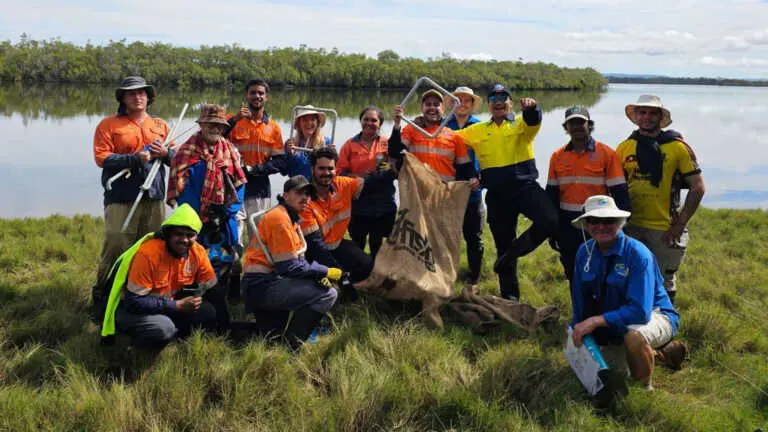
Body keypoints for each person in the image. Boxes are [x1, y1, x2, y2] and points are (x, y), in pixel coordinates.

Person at [570, 195, 687, 390]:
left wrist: (595, 321)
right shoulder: (584, 252)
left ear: (620, 222)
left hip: (653, 315)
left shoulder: (637, 254)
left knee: (634, 337)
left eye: (608, 221)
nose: (601, 226)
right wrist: (578, 329)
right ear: (586, 224)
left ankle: (643, 392)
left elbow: (640, 312)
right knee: (612, 374)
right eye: (594, 221)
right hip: (614, 321)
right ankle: (664, 353)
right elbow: (579, 300)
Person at [456, 84, 557, 301]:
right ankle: (510, 298)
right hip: (497, 195)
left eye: (503, 97)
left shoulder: (521, 123)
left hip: (525, 188)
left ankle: (513, 253)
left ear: (511, 103)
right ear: (490, 105)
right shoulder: (477, 130)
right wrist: (418, 124)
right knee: (502, 244)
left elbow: (533, 121)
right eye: (494, 98)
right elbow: (449, 139)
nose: (499, 101)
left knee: (550, 220)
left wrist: (533, 108)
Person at [616, 95, 705, 303]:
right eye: (642, 112)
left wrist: (680, 224)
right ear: (636, 116)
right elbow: (615, 188)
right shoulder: (623, 148)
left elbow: (698, 187)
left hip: (666, 228)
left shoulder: (677, 147)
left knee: (665, 281)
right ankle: (636, 325)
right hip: (632, 226)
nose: (647, 117)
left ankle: (667, 327)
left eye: (652, 113)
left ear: (660, 116)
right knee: (632, 278)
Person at [92, 76, 171, 309]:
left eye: (142, 93)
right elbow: (101, 158)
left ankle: (144, 299)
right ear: (123, 98)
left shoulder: (161, 126)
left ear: (148, 97)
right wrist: (134, 159)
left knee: (153, 249)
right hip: (121, 197)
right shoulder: (108, 125)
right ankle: (103, 298)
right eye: (132, 93)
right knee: (116, 246)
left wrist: (165, 153)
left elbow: (176, 159)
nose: (138, 97)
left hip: (154, 197)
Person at [100, 204, 221, 348]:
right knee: (163, 329)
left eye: (190, 235)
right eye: (179, 234)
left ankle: (174, 339)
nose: (184, 240)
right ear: (168, 234)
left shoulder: (198, 252)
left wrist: (224, 328)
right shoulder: (148, 255)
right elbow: (133, 302)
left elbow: (215, 290)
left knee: (207, 312)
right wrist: (176, 306)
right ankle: (126, 342)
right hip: (131, 310)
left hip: (164, 306)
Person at [242, 176, 341, 350]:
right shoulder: (281, 220)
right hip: (263, 286)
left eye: (308, 194)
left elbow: (294, 262)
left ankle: (285, 338)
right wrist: (323, 272)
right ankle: (293, 344)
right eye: (299, 193)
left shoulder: (288, 217)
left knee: (271, 338)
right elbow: (290, 266)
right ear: (285, 195)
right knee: (328, 294)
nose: (305, 198)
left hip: (263, 283)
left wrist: (315, 275)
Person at [167, 104, 248, 314]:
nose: (215, 129)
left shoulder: (230, 150)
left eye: (219, 125)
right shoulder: (186, 151)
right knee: (193, 260)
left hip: (225, 218)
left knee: (228, 259)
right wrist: (202, 214)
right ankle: (192, 302)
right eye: (210, 124)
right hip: (195, 220)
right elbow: (181, 188)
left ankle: (226, 299)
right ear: (202, 125)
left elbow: (240, 185)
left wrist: (226, 211)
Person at [546, 106, 630, 284]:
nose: (576, 126)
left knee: (601, 268)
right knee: (572, 268)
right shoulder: (557, 156)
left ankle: (600, 309)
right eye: (571, 123)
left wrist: (622, 226)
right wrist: (552, 229)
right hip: (567, 223)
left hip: (597, 221)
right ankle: (579, 309)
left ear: (589, 125)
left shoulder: (607, 154)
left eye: (580, 122)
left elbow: (619, 192)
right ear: (566, 127)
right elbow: (552, 195)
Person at [301, 148, 394, 287]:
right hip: (311, 254)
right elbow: (316, 246)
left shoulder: (342, 184)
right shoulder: (304, 200)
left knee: (368, 265)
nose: (326, 173)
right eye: (321, 168)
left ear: (335, 169)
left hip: (336, 245)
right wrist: (340, 274)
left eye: (330, 168)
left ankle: (350, 284)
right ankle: (335, 283)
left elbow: (370, 184)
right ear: (312, 169)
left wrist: (393, 172)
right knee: (321, 286)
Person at [224, 78, 285, 242]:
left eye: (261, 93)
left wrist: (253, 169)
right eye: (253, 93)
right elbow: (215, 138)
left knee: (258, 239)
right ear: (246, 95)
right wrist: (234, 120)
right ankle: (233, 266)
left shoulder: (273, 128)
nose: (256, 96)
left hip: (259, 189)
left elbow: (279, 162)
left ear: (266, 97)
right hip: (233, 187)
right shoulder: (233, 120)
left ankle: (255, 267)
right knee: (233, 236)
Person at [337, 106, 396, 257]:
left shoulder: (387, 143)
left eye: (374, 120)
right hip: (359, 200)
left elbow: (395, 169)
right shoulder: (349, 145)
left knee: (377, 242)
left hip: (382, 201)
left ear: (380, 123)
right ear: (361, 121)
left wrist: (385, 171)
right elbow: (339, 173)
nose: (369, 123)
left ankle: (377, 273)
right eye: (366, 119)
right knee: (358, 241)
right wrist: (360, 178)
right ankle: (359, 272)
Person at [389, 89, 478, 186]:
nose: (432, 108)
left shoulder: (454, 136)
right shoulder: (411, 129)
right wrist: (397, 124)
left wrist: (473, 178)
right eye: (428, 104)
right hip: (416, 194)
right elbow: (395, 152)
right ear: (421, 108)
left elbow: (465, 165)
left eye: (436, 104)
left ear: (443, 109)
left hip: (443, 194)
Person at [445, 86, 486, 285]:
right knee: (446, 236)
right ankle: (446, 274)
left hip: (473, 192)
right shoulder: (442, 126)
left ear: (472, 105)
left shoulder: (481, 127)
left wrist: (482, 180)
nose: (462, 104)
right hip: (447, 192)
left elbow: (489, 158)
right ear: (451, 103)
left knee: (474, 237)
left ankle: (474, 278)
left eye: (466, 100)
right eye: (457, 99)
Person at [284, 105, 333, 180]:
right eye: (304, 120)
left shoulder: (326, 142)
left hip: (318, 187)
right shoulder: (291, 144)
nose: (309, 123)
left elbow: (332, 170)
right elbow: (284, 171)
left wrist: (332, 155)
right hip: (297, 187)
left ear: (317, 123)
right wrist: (290, 154)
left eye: (312, 119)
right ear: (299, 124)